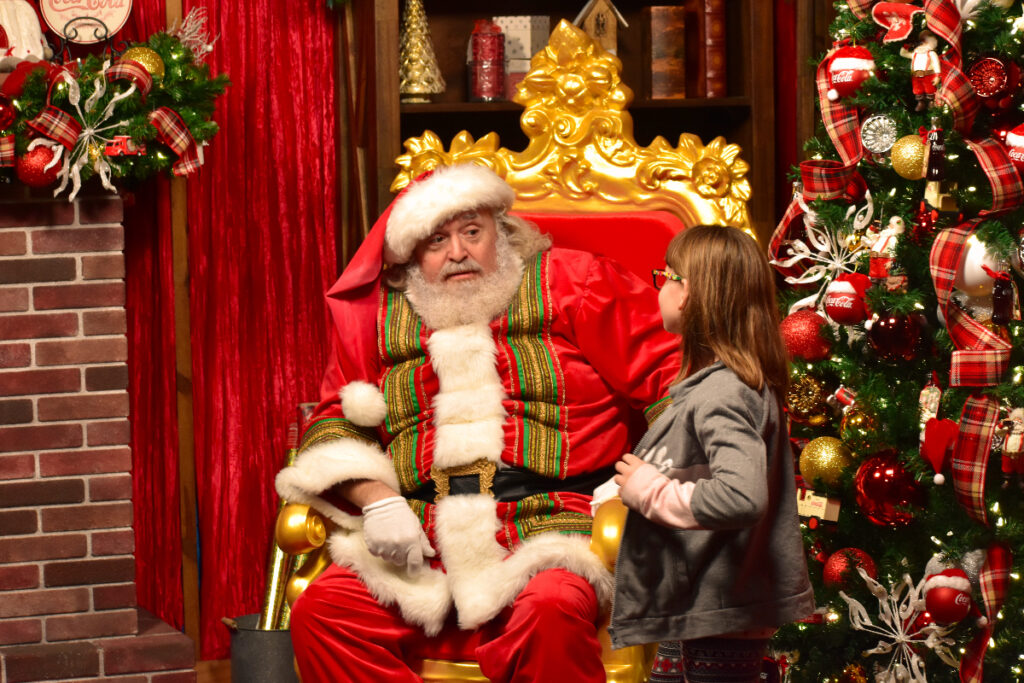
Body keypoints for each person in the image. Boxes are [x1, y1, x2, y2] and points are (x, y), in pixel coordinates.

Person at [274, 163, 680, 681]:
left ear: (501, 230)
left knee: (549, 608)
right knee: (324, 613)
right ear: (410, 254)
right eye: (436, 240)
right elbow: (334, 420)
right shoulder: (379, 318)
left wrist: (640, 482)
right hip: (421, 531)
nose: (458, 253)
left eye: (472, 232)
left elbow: (675, 381)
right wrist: (376, 502)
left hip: (554, 520)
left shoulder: (575, 282)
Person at [607, 225, 815, 683]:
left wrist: (651, 492)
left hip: (715, 611)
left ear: (687, 293)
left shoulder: (723, 392)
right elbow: (693, 466)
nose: (659, 286)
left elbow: (742, 496)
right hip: (705, 608)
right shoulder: (724, 384)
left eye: (664, 275)